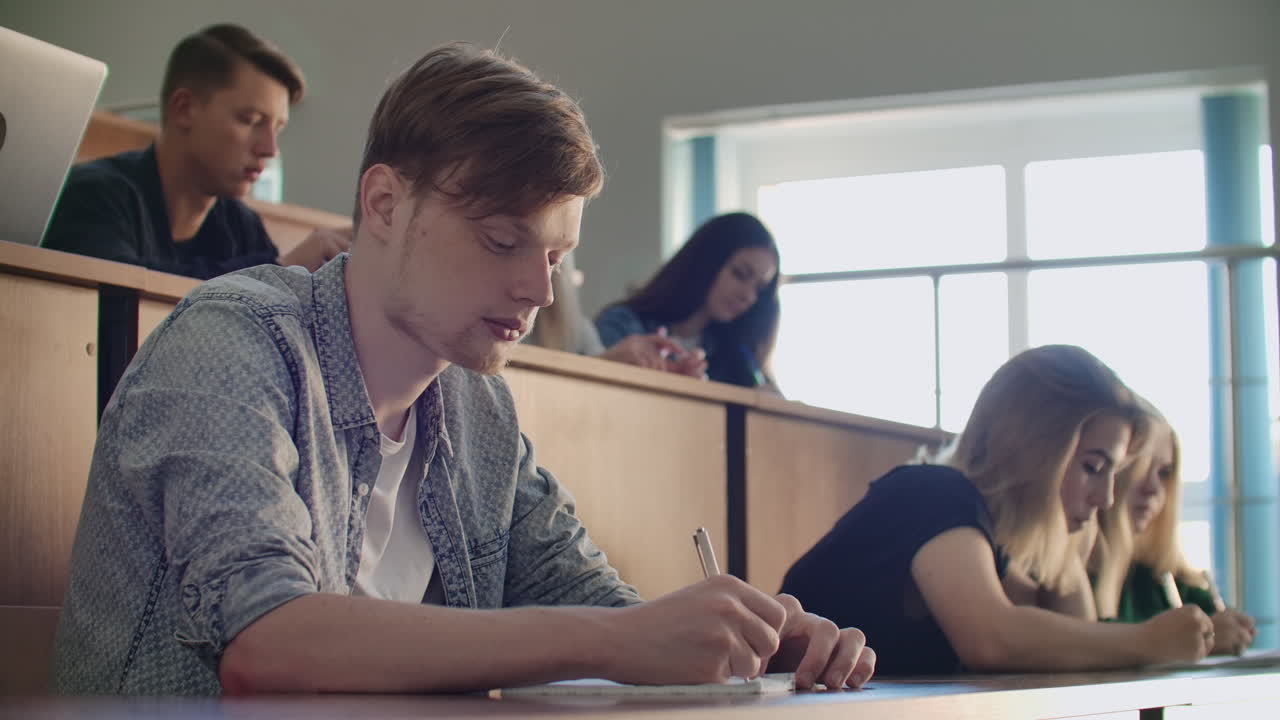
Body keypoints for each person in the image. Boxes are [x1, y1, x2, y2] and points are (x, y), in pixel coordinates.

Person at [52, 42, 875, 696]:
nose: (537, 288)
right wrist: (621, 641)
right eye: (501, 240)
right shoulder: (230, 344)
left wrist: (742, 643)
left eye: (557, 255)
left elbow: (593, 605)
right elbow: (267, 643)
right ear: (384, 204)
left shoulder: (479, 408)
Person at [780, 345, 1216, 675]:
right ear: (1035, 450)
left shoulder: (989, 541)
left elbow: (1079, 646)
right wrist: (1148, 640)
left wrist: (1064, 543)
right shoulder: (934, 493)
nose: (1105, 499)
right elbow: (991, 639)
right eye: (1092, 468)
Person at [41, 23, 349, 279]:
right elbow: (120, 299)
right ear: (185, 109)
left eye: (277, 129)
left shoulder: (243, 226)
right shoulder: (93, 196)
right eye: (250, 120)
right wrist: (279, 270)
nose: (269, 149)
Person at [1090, 401, 1258, 655]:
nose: (1154, 489)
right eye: (1140, 468)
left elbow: (1226, 628)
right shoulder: (1067, 576)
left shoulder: (1159, 577)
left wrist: (1224, 631)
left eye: (1164, 473)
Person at [595, 212, 780, 390]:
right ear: (706, 261)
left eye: (760, 289)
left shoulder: (737, 359)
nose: (749, 296)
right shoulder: (622, 325)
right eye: (740, 274)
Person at [523, 250, 708, 377]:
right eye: (505, 244)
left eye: (553, 261)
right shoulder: (620, 321)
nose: (545, 296)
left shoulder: (577, 328)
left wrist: (611, 363)